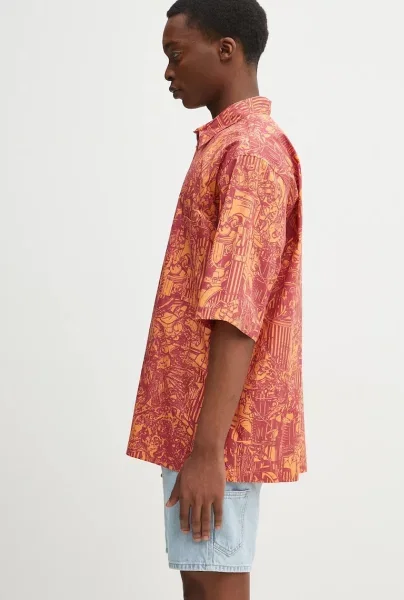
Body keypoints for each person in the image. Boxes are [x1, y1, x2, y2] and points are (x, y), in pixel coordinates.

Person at [126, 1, 306, 598]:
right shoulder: (227, 146)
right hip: (198, 422)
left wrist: (207, 451)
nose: (168, 71)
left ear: (226, 49)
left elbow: (237, 311)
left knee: (214, 586)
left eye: (176, 54)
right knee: (202, 585)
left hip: (216, 432)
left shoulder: (249, 153)